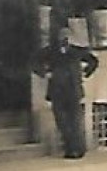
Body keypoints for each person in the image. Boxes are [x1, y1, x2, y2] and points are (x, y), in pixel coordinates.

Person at [32, 25, 99, 158]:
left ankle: (78, 149)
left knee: (75, 121)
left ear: (71, 38)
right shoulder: (51, 51)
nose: (64, 39)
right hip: (57, 91)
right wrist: (45, 73)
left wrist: (86, 73)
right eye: (62, 36)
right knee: (62, 122)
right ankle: (70, 148)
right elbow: (35, 62)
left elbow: (93, 61)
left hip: (73, 90)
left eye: (67, 36)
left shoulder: (76, 51)